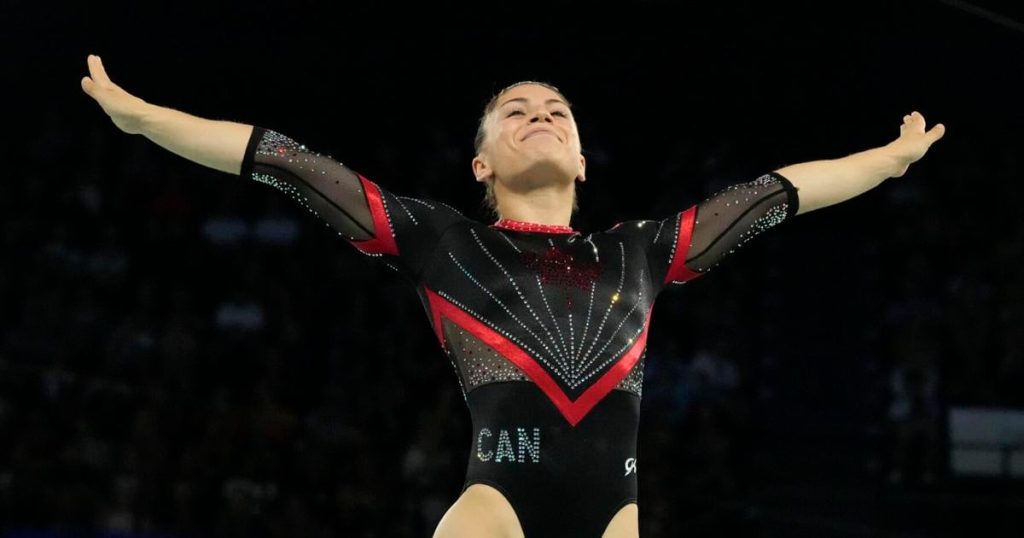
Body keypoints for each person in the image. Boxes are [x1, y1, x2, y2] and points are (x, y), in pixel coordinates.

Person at [81, 54, 945, 537]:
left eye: (559, 109)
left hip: (617, 513)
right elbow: (282, 160)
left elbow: (774, 195)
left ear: (580, 161)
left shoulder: (641, 250)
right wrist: (145, 117)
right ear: (481, 164)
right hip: (498, 505)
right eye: (516, 108)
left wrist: (889, 160)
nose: (542, 112)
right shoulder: (441, 240)